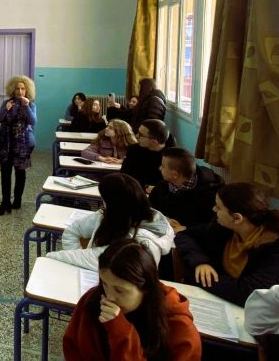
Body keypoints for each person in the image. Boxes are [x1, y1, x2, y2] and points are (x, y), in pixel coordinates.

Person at [175, 183, 279, 306]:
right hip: (228, 302)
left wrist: (194, 276)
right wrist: (200, 262)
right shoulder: (225, 228)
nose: (214, 209)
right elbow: (185, 235)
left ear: (237, 218)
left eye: (219, 207)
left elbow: (250, 294)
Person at [62, 238, 201, 361]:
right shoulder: (92, 300)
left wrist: (120, 332)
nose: (109, 296)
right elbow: (73, 347)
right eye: (104, 283)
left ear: (146, 288)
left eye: (120, 290)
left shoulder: (179, 327)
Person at [46, 173, 174, 270]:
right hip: (97, 281)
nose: (103, 204)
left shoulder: (143, 244)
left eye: (104, 200)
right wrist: (78, 259)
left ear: (115, 204)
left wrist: (74, 258)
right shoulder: (108, 215)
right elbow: (72, 231)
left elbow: (95, 259)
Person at [148, 147, 224, 232]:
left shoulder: (211, 193)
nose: (160, 168)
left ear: (175, 174)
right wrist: (164, 218)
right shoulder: (166, 183)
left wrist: (186, 229)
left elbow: (213, 227)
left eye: (163, 166)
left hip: (191, 235)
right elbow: (151, 205)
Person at [0, 75, 37, 215]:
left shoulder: (30, 104)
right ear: (13, 89)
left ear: (27, 90)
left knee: (20, 173)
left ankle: (17, 200)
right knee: (5, 173)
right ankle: (5, 202)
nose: (20, 91)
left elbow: (33, 121)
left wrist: (26, 107)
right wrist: (5, 109)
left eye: (23, 88)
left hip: (22, 144)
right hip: (6, 143)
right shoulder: (7, 102)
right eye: (17, 88)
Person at [121, 119, 171, 189]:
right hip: (134, 189)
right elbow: (124, 175)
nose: (136, 136)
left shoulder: (171, 157)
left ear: (154, 142)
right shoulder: (133, 150)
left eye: (141, 135)